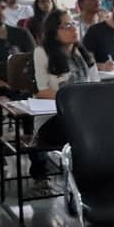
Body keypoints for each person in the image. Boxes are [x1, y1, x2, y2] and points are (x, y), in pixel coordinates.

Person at [32, 9, 100, 188]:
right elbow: (42, 91)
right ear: (54, 33)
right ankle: (81, 184)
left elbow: (97, 86)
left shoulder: (82, 54)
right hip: (53, 118)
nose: (73, 29)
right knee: (86, 130)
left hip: (85, 115)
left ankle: (105, 177)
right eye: (66, 26)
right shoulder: (42, 52)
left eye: (73, 24)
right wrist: (74, 99)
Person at [0, 0, 36, 98]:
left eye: (3, 8)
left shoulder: (22, 34)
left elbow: (36, 62)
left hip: (27, 94)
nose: (0, 12)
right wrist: (4, 85)